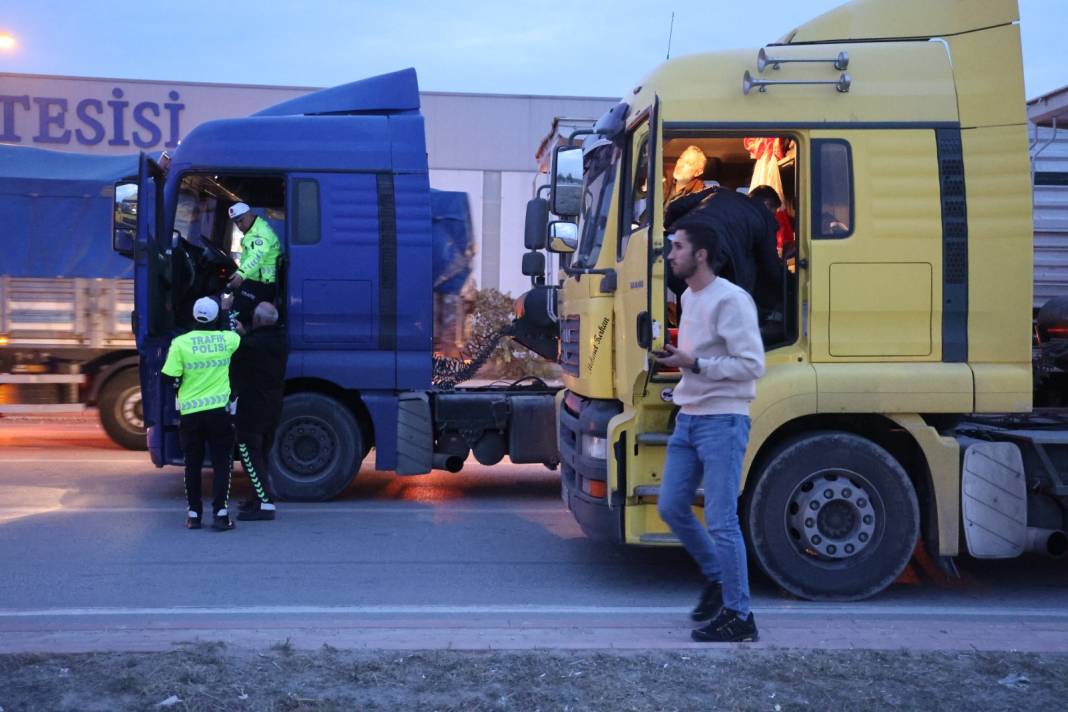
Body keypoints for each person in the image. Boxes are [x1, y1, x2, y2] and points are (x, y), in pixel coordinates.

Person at [653, 216, 765, 643]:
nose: (671, 254)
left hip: (723, 420)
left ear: (700, 254)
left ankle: (740, 617)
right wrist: (678, 359)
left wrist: (693, 363)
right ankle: (718, 578)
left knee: (721, 520)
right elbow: (697, 357)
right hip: (690, 417)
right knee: (671, 506)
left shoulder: (731, 300)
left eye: (678, 247)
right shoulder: (687, 296)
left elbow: (752, 365)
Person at [162, 296, 242, 531]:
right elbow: (235, 332)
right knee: (221, 464)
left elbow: (168, 377)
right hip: (219, 413)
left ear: (194, 315)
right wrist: (227, 311)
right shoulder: (227, 340)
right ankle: (220, 513)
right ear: (215, 317)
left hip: (191, 415)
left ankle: (194, 515)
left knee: (192, 465)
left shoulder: (180, 343)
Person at [229, 301, 288, 521]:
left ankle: (264, 504)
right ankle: (257, 497)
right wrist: (246, 336)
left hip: (252, 408)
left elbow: (240, 355)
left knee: (248, 455)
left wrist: (240, 335)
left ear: (258, 320)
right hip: (273, 406)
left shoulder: (249, 345)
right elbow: (257, 345)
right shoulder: (281, 341)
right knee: (262, 455)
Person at [226, 202, 281, 325]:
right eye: (236, 222)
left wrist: (240, 274)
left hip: (261, 286)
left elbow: (256, 257)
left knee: (234, 312)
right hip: (254, 281)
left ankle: (236, 338)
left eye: (241, 220)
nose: (239, 225)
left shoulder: (259, 234)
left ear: (249, 214)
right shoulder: (255, 228)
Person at [747, 184, 795, 255]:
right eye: (772, 214)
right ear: (766, 205)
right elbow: (769, 259)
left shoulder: (745, 220)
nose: (773, 218)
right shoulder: (760, 227)